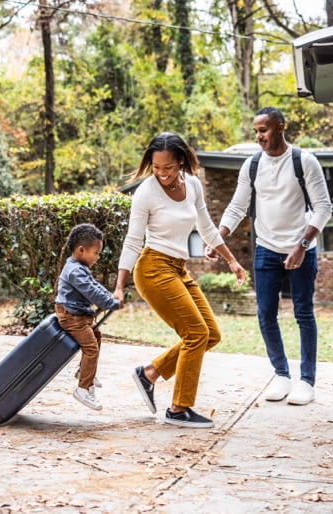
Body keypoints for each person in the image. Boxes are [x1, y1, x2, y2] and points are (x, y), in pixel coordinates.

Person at [113, 132, 246, 428]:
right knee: (195, 334)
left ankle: (149, 373)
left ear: (181, 162)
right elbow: (133, 241)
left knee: (210, 334)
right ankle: (178, 409)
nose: (162, 174)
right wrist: (120, 287)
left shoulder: (194, 185)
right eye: (156, 167)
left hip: (177, 268)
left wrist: (232, 260)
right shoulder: (146, 192)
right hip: (152, 268)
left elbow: (207, 227)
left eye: (168, 168)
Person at [206, 107, 333, 406]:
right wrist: (217, 236)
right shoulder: (251, 166)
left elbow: (324, 207)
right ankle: (281, 375)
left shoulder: (304, 161)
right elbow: (237, 208)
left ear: (280, 127)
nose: (259, 136)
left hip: (301, 248)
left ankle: (307, 381)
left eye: (263, 130)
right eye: (256, 132)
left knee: (303, 313)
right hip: (266, 248)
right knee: (265, 315)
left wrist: (302, 245)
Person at [55, 223, 122, 411]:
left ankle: (85, 372)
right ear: (81, 249)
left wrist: (110, 297)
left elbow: (94, 285)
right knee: (91, 348)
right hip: (71, 317)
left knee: (96, 336)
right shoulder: (75, 271)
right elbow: (90, 291)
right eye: (96, 252)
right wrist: (110, 303)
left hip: (78, 315)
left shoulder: (79, 267)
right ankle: (83, 388)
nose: (98, 257)